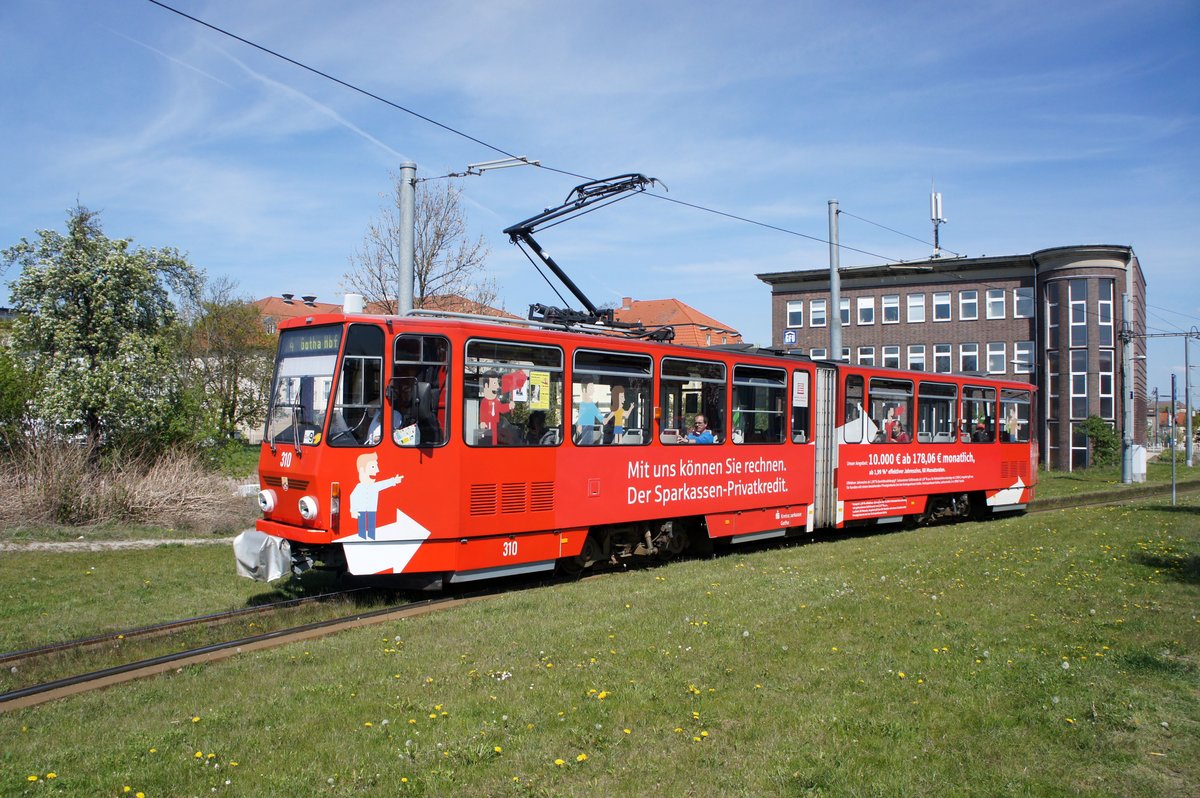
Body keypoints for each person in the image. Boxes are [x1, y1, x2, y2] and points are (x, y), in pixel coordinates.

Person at [348, 452, 403, 540]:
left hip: (371, 510)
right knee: (362, 527)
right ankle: (363, 537)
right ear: (362, 470)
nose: (377, 470)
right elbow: (353, 497)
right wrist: (353, 510)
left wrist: (394, 481)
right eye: (373, 467)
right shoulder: (359, 487)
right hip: (361, 511)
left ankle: (370, 537)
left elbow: (384, 484)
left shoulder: (374, 486)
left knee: (371, 527)